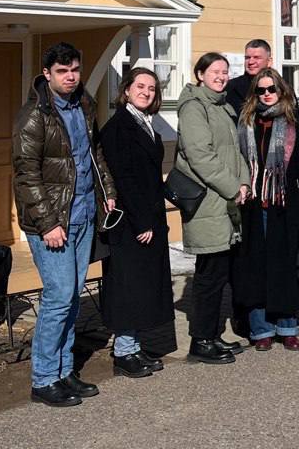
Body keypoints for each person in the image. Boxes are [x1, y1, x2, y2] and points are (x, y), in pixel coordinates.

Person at [13, 42, 117, 407]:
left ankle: (63, 370)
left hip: (85, 214)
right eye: (62, 71)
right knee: (58, 298)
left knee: (72, 298)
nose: (70, 77)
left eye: (74, 69)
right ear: (47, 74)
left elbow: (95, 153)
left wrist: (108, 193)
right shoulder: (33, 117)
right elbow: (26, 176)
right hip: (53, 223)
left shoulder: (84, 105)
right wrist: (46, 224)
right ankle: (43, 379)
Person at [174, 51, 251, 364]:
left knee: (218, 274)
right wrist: (233, 187)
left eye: (224, 71)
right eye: (214, 71)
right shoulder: (194, 107)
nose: (221, 76)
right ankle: (200, 341)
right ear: (200, 74)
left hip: (225, 202)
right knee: (208, 275)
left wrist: (244, 182)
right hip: (209, 201)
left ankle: (212, 334)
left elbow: (235, 151)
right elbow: (200, 155)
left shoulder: (222, 106)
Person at [98, 67, 174, 377]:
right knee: (128, 287)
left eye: (152, 89)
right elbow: (125, 179)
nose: (146, 92)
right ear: (126, 90)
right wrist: (143, 221)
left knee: (142, 286)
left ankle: (135, 347)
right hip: (130, 223)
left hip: (148, 217)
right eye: (140, 86)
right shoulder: (119, 127)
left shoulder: (144, 123)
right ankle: (124, 352)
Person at [230, 67, 299, 351]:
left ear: (281, 91)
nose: (266, 95)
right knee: (255, 268)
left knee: (284, 266)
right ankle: (260, 329)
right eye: (260, 90)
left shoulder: (293, 123)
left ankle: (287, 326)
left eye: (271, 89)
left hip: (284, 204)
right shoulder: (246, 123)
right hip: (253, 205)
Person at [225, 39, 274, 112]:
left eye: (257, 57)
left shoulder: (281, 87)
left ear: (269, 61)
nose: (251, 62)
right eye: (247, 58)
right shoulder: (231, 87)